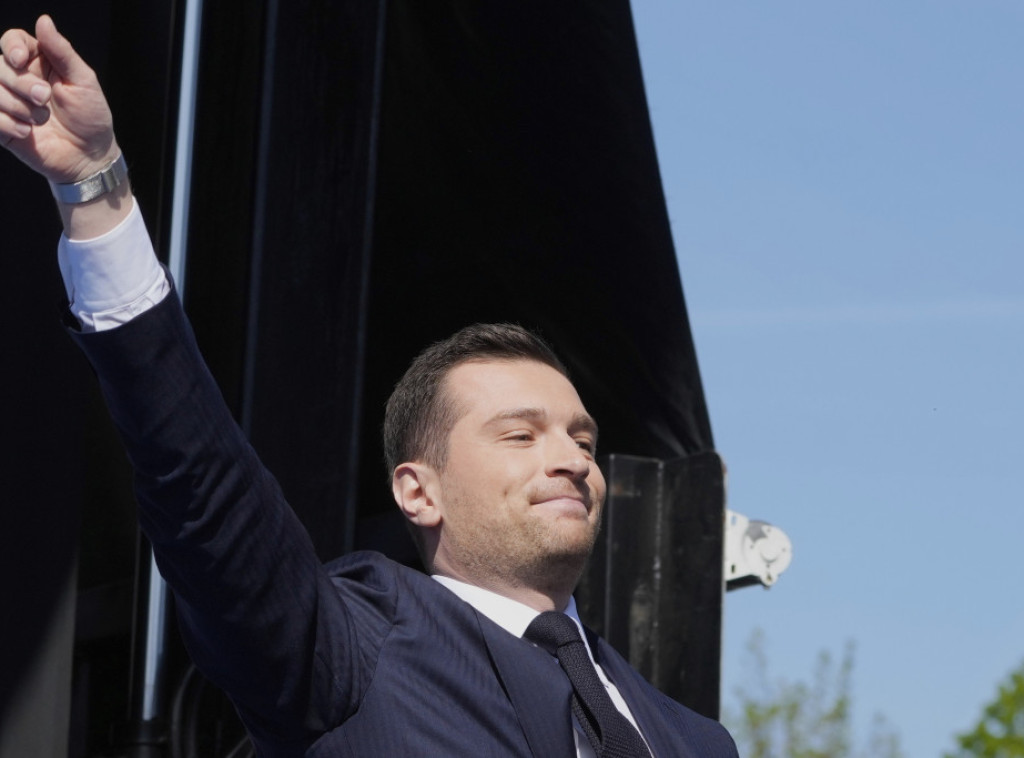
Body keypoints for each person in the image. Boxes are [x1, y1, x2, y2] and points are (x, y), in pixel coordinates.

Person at [1, 15, 738, 758]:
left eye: (582, 439)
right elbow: (205, 489)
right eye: (521, 434)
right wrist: (95, 187)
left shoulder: (696, 740)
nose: (573, 460)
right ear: (418, 491)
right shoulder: (353, 647)